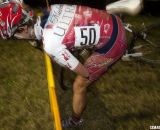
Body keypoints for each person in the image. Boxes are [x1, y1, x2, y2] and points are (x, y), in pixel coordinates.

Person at [13, 4, 127, 128]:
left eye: (15, 35)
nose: (16, 38)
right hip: (111, 20)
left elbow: (85, 72)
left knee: (79, 85)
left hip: (114, 42)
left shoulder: (50, 43)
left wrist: (62, 59)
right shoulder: (52, 8)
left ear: (23, 28)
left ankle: (75, 120)